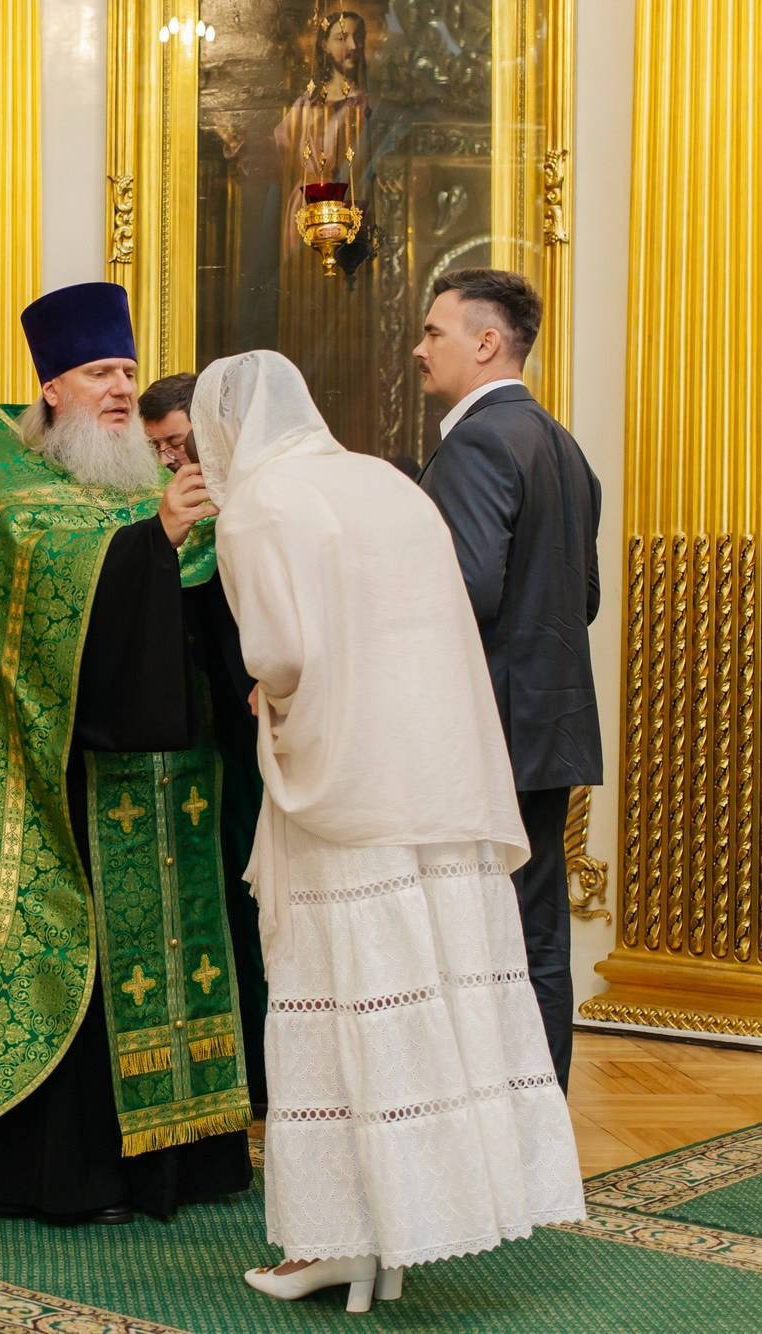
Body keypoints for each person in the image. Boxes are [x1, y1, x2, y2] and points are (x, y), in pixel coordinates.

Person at [194, 349, 585, 1307]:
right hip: (440, 778)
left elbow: (280, 653)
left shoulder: (254, 506)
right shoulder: (383, 480)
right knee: (435, 989)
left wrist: (265, 693)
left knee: (339, 1002)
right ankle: (420, 1223)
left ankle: (336, 1240)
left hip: (346, 789)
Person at [0, 283, 254, 1225]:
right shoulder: (15, 473)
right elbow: (58, 581)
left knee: (181, 951)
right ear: (53, 386)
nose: (120, 389)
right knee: (92, 961)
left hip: (171, 776)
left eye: (127, 371)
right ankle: (80, 1174)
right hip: (60, 781)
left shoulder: (131, 476)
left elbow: (185, 579)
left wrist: (193, 538)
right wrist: (158, 539)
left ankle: (183, 1161)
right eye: (100, 373)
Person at [414, 268, 603, 1091]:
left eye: (433, 333)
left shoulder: (480, 440)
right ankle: (540, 1120)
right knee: (538, 934)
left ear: (486, 342)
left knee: (478, 935)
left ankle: (495, 1115)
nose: (420, 350)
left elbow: (463, 588)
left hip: (486, 731)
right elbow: (584, 597)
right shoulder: (561, 443)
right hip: (549, 727)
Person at [140, 370, 268, 1112]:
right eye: (157, 448)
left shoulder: (254, 492)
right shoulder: (172, 500)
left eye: (178, 442)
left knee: (258, 893)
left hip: (257, 723)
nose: (169, 460)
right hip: (204, 733)